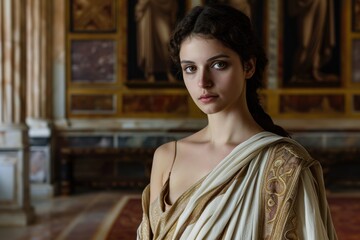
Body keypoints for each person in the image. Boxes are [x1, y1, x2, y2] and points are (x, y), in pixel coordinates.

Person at [137, 4, 337, 239]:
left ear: (248, 66)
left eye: (218, 64)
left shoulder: (284, 165)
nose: (203, 81)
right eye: (190, 68)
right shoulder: (167, 157)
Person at [288, 0, 336, 83]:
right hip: (305, 3)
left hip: (320, 2)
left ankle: (314, 69)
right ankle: (297, 72)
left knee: (318, 38)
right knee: (304, 43)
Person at [135, 0, 177, 82]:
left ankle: (167, 70)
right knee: (149, 44)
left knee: (166, 42)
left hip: (164, 10)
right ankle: (149, 72)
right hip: (149, 9)